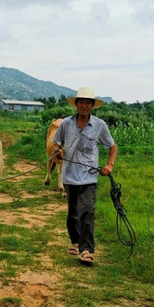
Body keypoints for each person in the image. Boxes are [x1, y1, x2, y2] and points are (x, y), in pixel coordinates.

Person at [52, 86, 117, 265]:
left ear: (92, 106)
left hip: (89, 177)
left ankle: (86, 249)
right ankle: (75, 241)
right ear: (76, 104)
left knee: (86, 212)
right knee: (73, 214)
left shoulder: (99, 125)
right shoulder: (66, 123)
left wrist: (109, 165)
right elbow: (56, 143)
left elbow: (112, 146)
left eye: (88, 103)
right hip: (70, 176)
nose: (84, 106)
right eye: (82, 102)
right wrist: (58, 152)